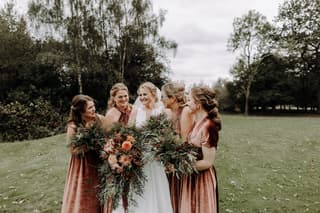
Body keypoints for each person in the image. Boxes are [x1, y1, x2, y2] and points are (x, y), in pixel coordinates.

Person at [113, 82, 173, 213]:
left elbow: (167, 135)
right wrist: (132, 151)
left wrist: (159, 146)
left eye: (145, 94)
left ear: (153, 93)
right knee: (140, 188)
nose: (141, 98)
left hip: (155, 157)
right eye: (140, 95)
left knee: (156, 186)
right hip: (139, 157)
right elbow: (128, 134)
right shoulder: (136, 111)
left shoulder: (162, 111)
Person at [179, 86, 221, 213]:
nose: (187, 103)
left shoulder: (209, 126)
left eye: (190, 100)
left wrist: (181, 166)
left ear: (198, 104)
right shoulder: (198, 122)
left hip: (202, 180)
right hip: (191, 177)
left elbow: (208, 162)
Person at [61, 94, 104, 213]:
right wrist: (90, 144)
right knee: (84, 193)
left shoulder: (99, 119)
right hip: (82, 166)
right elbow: (72, 149)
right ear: (81, 111)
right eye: (90, 108)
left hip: (99, 162)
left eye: (94, 106)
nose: (93, 109)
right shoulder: (73, 126)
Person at [161, 82, 195, 213]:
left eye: (163, 96)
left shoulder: (185, 111)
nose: (161, 99)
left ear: (172, 98)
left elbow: (184, 143)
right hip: (172, 160)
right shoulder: (170, 112)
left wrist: (170, 159)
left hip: (183, 161)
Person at [102, 83, 133, 213]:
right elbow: (107, 139)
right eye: (120, 97)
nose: (124, 99)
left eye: (126, 96)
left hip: (132, 154)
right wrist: (115, 158)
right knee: (119, 191)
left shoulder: (133, 109)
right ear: (113, 98)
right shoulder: (111, 115)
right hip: (116, 156)